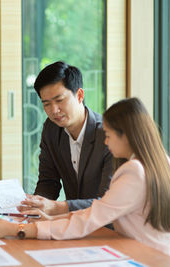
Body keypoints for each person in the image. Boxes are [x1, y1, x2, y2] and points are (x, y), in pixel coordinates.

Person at [0, 98, 170, 261]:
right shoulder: (163, 163)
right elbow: (98, 211)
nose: (106, 142)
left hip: (143, 259)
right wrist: (54, 219)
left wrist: (17, 229)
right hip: (167, 257)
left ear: (125, 136)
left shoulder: (134, 172)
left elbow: (90, 219)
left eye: (108, 135)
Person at [19, 61, 112, 215]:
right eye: (46, 104)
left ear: (80, 95)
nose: (54, 110)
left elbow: (107, 201)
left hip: (107, 228)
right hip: (73, 226)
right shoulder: (51, 129)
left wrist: (58, 207)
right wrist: (35, 205)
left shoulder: (108, 134)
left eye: (60, 100)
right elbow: (48, 182)